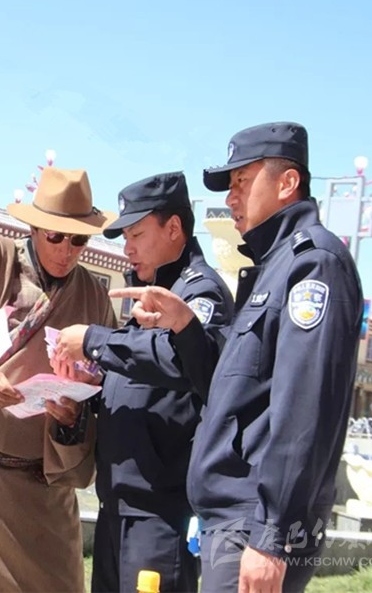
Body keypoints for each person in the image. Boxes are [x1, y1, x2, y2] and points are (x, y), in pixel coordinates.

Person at [115, 122, 364, 593]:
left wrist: (272, 535)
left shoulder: (313, 264)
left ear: (287, 183)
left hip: (256, 524)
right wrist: (186, 327)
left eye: (242, 182)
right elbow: (236, 388)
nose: (231, 198)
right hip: (236, 522)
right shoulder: (274, 267)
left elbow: (304, 409)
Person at [0, 166, 119, 593]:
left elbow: (105, 389)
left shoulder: (94, 296)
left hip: (47, 491)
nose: (67, 250)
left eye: (79, 240)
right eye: (56, 236)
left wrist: (72, 414)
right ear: (33, 228)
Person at [53, 171, 233, 593]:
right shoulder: (150, 291)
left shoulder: (199, 293)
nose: (127, 248)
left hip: (160, 515)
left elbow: (178, 359)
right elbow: (141, 383)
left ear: (174, 228)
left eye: (137, 234)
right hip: (119, 505)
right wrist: (85, 392)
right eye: (124, 237)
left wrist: (95, 341)